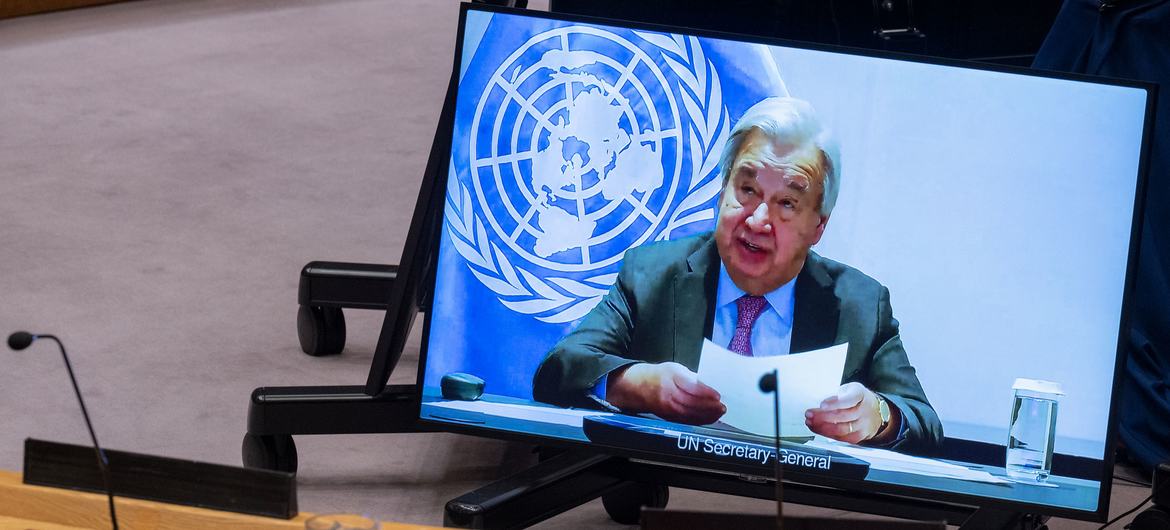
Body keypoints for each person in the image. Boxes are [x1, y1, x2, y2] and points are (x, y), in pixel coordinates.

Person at [532, 97, 942, 454]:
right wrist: (642, 385)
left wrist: (878, 417)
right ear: (722, 189)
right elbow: (558, 370)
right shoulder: (652, 275)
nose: (759, 220)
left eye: (786, 203)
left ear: (818, 227)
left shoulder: (861, 305)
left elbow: (924, 423)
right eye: (747, 191)